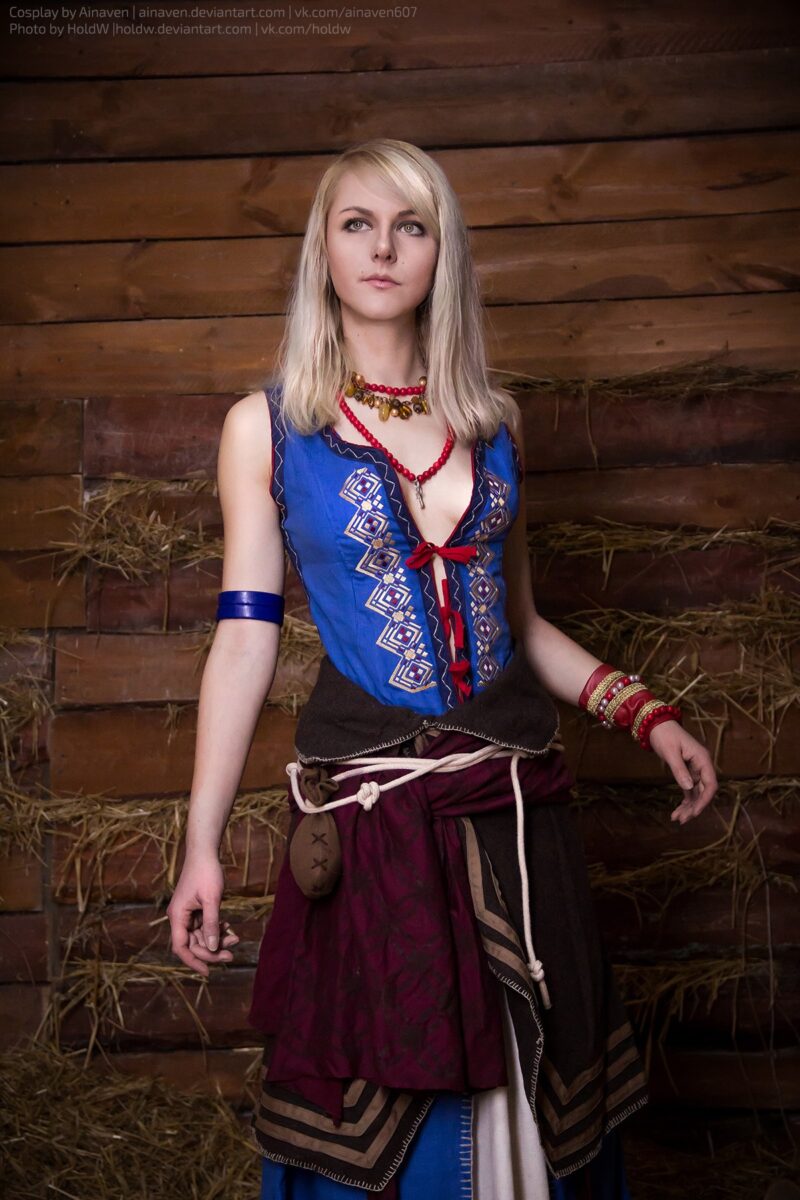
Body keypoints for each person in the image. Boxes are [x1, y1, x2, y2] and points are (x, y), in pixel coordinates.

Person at [167, 139, 718, 1198]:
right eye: (357, 224)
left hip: (512, 812)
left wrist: (646, 713)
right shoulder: (267, 428)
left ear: (441, 252)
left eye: (409, 226)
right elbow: (245, 638)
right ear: (323, 249)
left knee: (538, 1083)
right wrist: (202, 846)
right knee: (391, 1092)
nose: (382, 248)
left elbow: (520, 624)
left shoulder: (492, 422)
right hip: (376, 822)